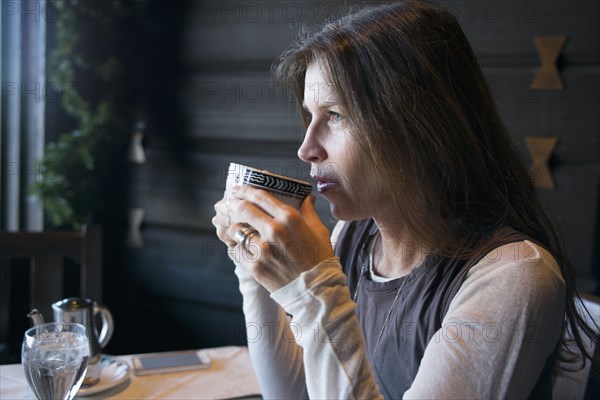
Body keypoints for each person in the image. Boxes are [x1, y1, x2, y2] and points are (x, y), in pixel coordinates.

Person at [212, 2, 597, 398]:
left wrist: (312, 291)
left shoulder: (515, 276)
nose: (306, 148)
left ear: (417, 125)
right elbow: (293, 394)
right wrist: (254, 263)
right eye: (310, 116)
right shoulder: (355, 236)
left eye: (336, 115)